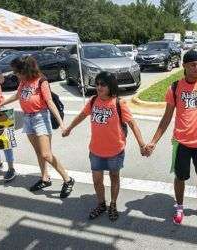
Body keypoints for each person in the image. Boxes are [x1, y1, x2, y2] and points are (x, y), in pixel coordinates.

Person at [145, 50, 197, 225]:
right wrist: (153, 141)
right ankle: (180, 207)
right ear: (184, 66)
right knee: (180, 177)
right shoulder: (174, 87)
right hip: (181, 141)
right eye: (193, 65)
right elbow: (166, 117)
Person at [62, 71, 146, 221]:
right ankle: (101, 204)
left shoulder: (119, 103)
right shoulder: (93, 100)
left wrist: (142, 144)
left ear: (111, 86)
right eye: (97, 84)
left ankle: (113, 204)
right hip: (96, 150)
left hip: (115, 150)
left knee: (114, 177)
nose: (99, 87)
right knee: (97, 180)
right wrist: (69, 128)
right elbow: (82, 115)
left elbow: (132, 124)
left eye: (103, 84)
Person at [0, 56, 75, 198]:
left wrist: (63, 125)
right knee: (39, 152)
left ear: (25, 70)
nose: (15, 74)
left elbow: (50, 102)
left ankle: (68, 179)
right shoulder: (24, 81)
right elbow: (17, 95)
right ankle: (45, 178)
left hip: (41, 118)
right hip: (28, 118)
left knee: (46, 154)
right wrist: (2, 103)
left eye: (17, 71)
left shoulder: (41, 81)